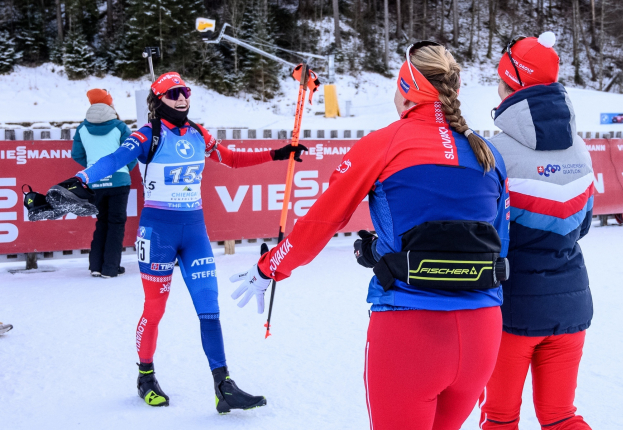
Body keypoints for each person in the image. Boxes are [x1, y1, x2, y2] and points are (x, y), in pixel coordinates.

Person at [230, 43, 511, 430]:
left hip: (411, 329)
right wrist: (381, 249)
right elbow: (490, 244)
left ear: (407, 89)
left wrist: (268, 267)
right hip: (483, 330)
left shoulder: (385, 143)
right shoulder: (487, 153)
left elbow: (318, 225)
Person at [46, 72, 307, 412]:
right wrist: (80, 180)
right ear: (158, 101)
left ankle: (223, 386)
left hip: (194, 231)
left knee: (209, 310)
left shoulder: (198, 133)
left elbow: (231, 158)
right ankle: (145, 376)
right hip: (158, 234)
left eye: (185, 91)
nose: (182, 98)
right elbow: (112, 161)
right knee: (154, 310)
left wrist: (279, 153)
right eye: (173, 94)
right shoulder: (146, 135)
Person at [479, 32, 594, 430]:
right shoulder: (580, 149)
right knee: (561, 417)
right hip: (571, 307)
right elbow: (583, 225)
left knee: (499, 419)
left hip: (512, 308)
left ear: (509, 83)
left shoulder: (492, 151)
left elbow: (481, 232)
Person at [71, 89, 135, 278]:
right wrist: (123, 170)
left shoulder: (82, 127)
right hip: (119, 182)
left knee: (102, 222)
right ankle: (111, 267)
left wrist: (94, 168)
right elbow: (131, 152)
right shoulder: (120, 127)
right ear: (110, 104)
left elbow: (77, 154)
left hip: (95, 181)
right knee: (116, 224)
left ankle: (96, 266)